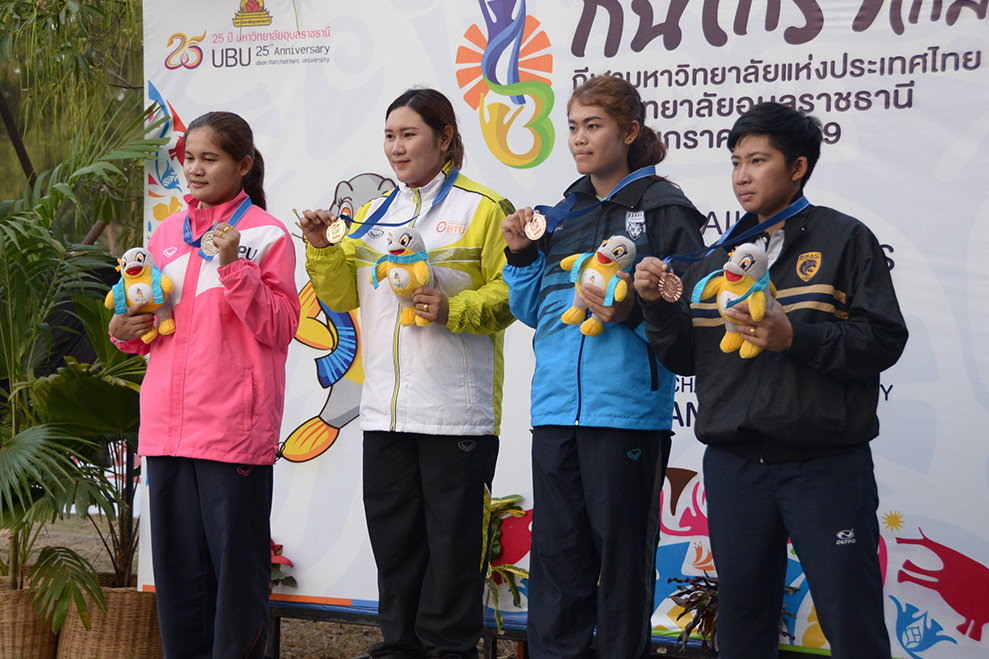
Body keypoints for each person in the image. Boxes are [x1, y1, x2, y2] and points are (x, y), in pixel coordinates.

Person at [634, 102, 908, 659]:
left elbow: (884, 339)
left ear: (798, 167)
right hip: (735, 467)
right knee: (742, 621)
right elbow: (686, 359)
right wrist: (656, 307)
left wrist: (795, 338)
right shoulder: (717, 259)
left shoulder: (845, 239)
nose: (742, 175)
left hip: (825, 466)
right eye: (736, 162)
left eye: (758, 161)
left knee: (850, 617)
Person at [299, 87, 514, 659]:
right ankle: (398, 647)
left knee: (452, 551)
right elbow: (341, 295)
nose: (396, 147)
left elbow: (513, 295)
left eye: (409, 134)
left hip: (455, 413)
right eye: (390, 136)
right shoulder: (373, 215)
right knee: (394, 546)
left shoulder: (484, 208)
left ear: (444, 139)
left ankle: (448, 651)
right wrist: (322, 248)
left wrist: (454, 308)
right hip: (384, 413)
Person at [501, 74, 706, 659]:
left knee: (620, 562)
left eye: (593, 126)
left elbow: (689, 306)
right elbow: (532, 311)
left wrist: (632, 311)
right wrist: (521, 255)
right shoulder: (562, 213)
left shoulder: (665, 208)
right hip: (555, 410)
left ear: (630, 131)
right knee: (556, 556)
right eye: (573, 127)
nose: (579, 139)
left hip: (626, 414)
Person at [109, 111, 300, 658]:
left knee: (235, 587)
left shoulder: (266, 234)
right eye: (189, 158)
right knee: (178, 586)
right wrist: (124, 331)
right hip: (167, 434)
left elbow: (280, 327)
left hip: (231, 434)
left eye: (209, 158)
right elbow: (151, 329)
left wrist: (233, 264)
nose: (194, 168)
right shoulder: (166, 234)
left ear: (243, 165)